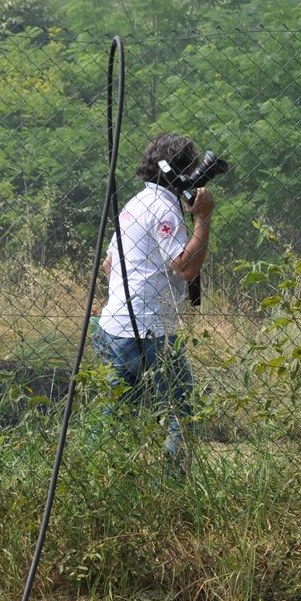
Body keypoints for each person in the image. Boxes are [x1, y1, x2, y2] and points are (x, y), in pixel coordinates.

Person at [93, 132, 215, 471]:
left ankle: (103, 475)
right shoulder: (165, 209)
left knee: (117, 415)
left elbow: (108, 265)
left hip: (112, 327)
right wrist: (203, 218)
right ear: (186, 171)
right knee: (182, 409)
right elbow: (186, 265)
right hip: (148, 331)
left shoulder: (136, 203)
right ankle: (174, 485)